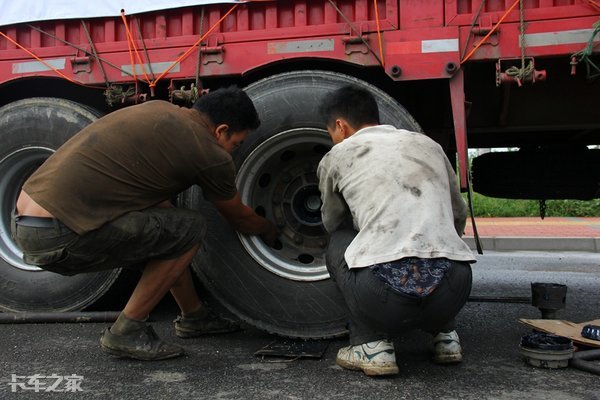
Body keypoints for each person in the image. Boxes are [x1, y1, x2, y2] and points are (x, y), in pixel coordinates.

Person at [10, 86, 278, 361]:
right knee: (190, 230)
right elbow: (240, 217)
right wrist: (270, 229)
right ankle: (126, 331)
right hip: (59, 234)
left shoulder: (158, 110)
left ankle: (194, 316)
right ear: (221, 130)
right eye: (236, 143)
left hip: (23, 222)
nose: (234, 151)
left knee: (172, 230)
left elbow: (154, 202)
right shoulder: (209, 153)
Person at [317, 85, 475, 376]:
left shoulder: (338, 155)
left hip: (382, 299)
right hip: (455, 288)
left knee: (338, 239)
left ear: (340, 126)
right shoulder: (430, 146)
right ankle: (446, 337)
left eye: (331, 133)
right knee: (439, 245)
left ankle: (371, 345)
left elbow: (332, 219)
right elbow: (457, 214)